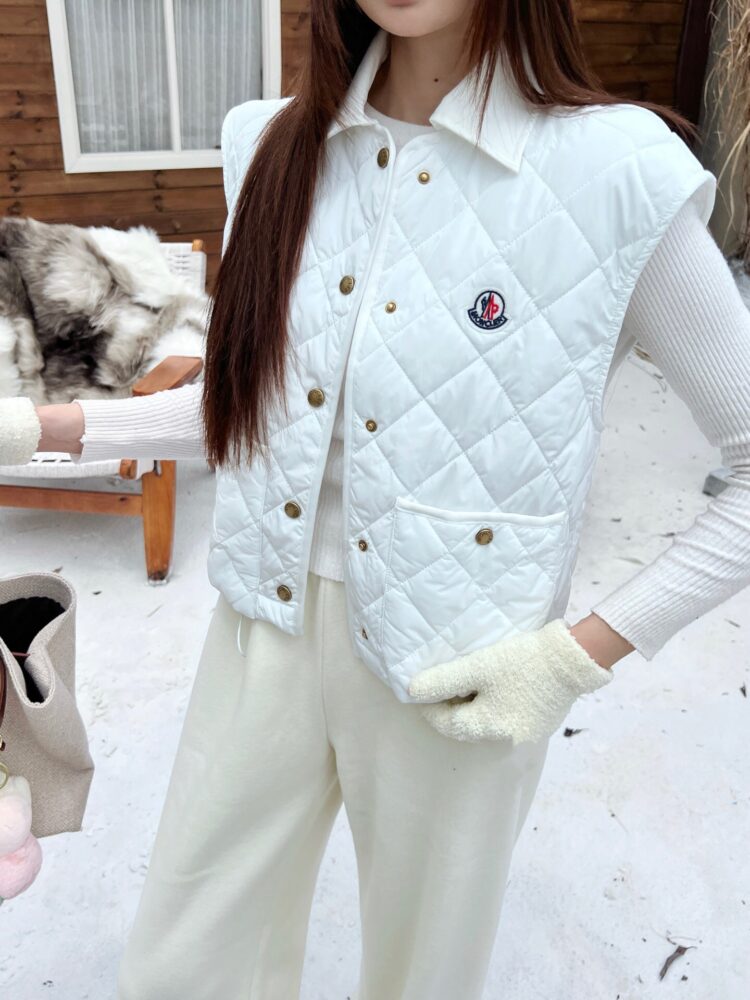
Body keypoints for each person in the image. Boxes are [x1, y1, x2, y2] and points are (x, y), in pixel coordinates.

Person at [2, 1, 749, 996]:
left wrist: (576, 658)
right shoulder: (272, 145)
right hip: (261, 632)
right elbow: (247, 406)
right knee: (184, 961)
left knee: (421, 974)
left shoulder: (617, 174)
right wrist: (38, 430)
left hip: (464, 668)